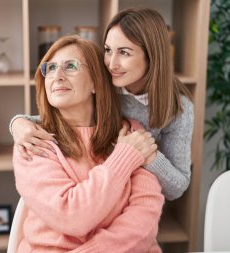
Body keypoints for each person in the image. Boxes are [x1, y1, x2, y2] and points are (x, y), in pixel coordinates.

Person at [10, 7, 194, 201]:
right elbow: (64, 116)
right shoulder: (105, 80)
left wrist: (148, 156)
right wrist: (18, 123)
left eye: (124, 52)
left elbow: (178, 187)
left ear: (152, 56)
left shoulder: (179, 108)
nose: (111, 64)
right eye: (108, 50)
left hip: (137, 195)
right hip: (94, 187)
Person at [13, 35, 164, 252]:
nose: (58, 75)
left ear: (95, 82)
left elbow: (145, 214)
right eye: (51, 68)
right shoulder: (32, 142)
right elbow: (71, 216)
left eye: (70, 66)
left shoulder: (131, 132)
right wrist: (125, 156)